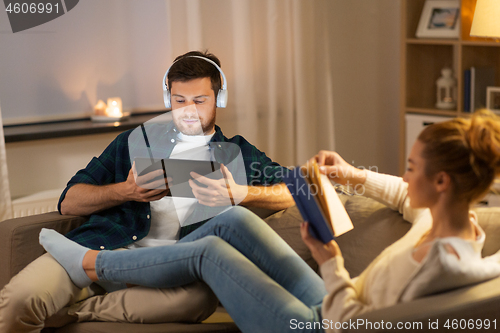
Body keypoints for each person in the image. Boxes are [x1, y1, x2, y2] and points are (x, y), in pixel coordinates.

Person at [39, 110, 500, 332]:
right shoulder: (454, 224)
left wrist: (330, 260)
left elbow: (354, 324)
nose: (406, 175)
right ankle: (95, 265)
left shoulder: (445, 263)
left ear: (441, 182)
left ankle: (92, 265)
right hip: (332, 307)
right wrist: (352, 175)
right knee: (235, 220)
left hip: (320, 325)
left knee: (210, 251)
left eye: (413, 166)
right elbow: (403, 194)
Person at [0, 50, 294, 332]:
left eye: (199, 100)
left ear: (219, 99)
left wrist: (240, 193)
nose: (189, 111)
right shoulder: (134, 140)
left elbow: (294, 191)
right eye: (179, 100)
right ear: (168, 98)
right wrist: (125, 191)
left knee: (197, 301)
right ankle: (77, 297)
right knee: (18, 301)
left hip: (165, 276)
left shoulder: (238, 154)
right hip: (97, 250)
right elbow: (69, 202)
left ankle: (70, 314)